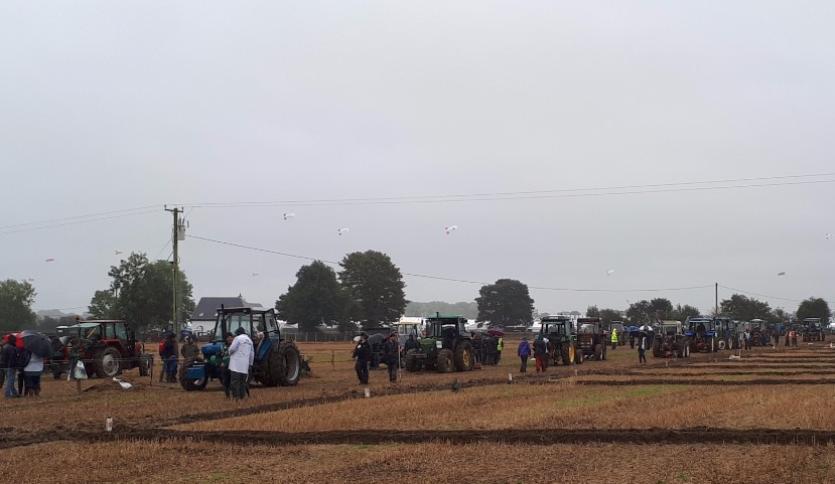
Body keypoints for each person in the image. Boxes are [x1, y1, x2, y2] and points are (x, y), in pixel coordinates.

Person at [228, 327, 254, 400]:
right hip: (245, 365)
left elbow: (232, 349)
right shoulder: (249, 340)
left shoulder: (238, 338)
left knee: (235, 382)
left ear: (238, 333)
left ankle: (235, 397)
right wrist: (250, 364)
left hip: (236, 365)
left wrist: (229, 352)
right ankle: (242, 397)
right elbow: (252, 354)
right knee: (243, 382)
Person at [221, 333, 234, 398]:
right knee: (226, 381)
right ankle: (227, 395)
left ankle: (235, 395)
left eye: (230, 337)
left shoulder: (235, 346)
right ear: (226, 339)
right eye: (228, 337)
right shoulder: (223, 346)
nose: (229, 338)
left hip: (233, 366)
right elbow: (223, 355)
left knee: (233, 381)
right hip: (225, 366)